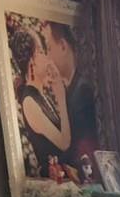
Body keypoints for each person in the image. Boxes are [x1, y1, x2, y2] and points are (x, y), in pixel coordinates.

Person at [10, 26, 70, 179]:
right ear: (32, 61)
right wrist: (61, 97)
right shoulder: (30, 102)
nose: (48, 59)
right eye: (42, 52)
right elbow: (64, 143)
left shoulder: (41, 96)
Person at [42, 22, 98, 172]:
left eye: (49, 48)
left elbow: (80, 150)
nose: (48, 57)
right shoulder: (70, 89)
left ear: (62, 46)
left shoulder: (82, 91)